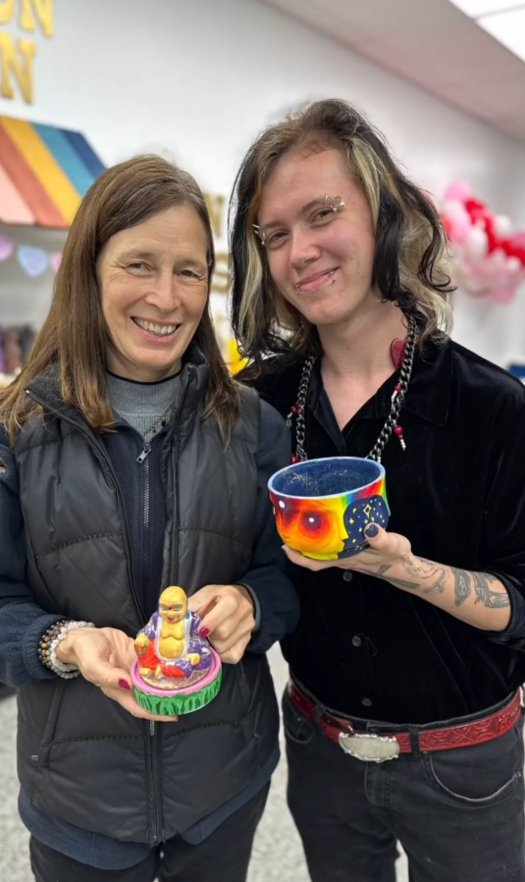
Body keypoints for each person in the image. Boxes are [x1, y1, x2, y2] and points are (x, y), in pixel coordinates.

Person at [229, 98, 525, 882]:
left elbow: (521, 603)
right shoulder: (261, 400)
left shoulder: (491, 406)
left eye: (323, 213)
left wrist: (400, 568)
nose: (300, 252)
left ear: (385, 214)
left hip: (463, 766)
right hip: (318, 750)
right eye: (274, 234)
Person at [0, 155, 299, 882]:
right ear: (89, 271)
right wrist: (65, 644)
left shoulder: (253, 424)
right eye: (139, 264)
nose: (166, 298)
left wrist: (252, 604)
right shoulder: (18, 430)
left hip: (222, 790)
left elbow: (294, 578)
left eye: (189, 271)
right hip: (78, 804)